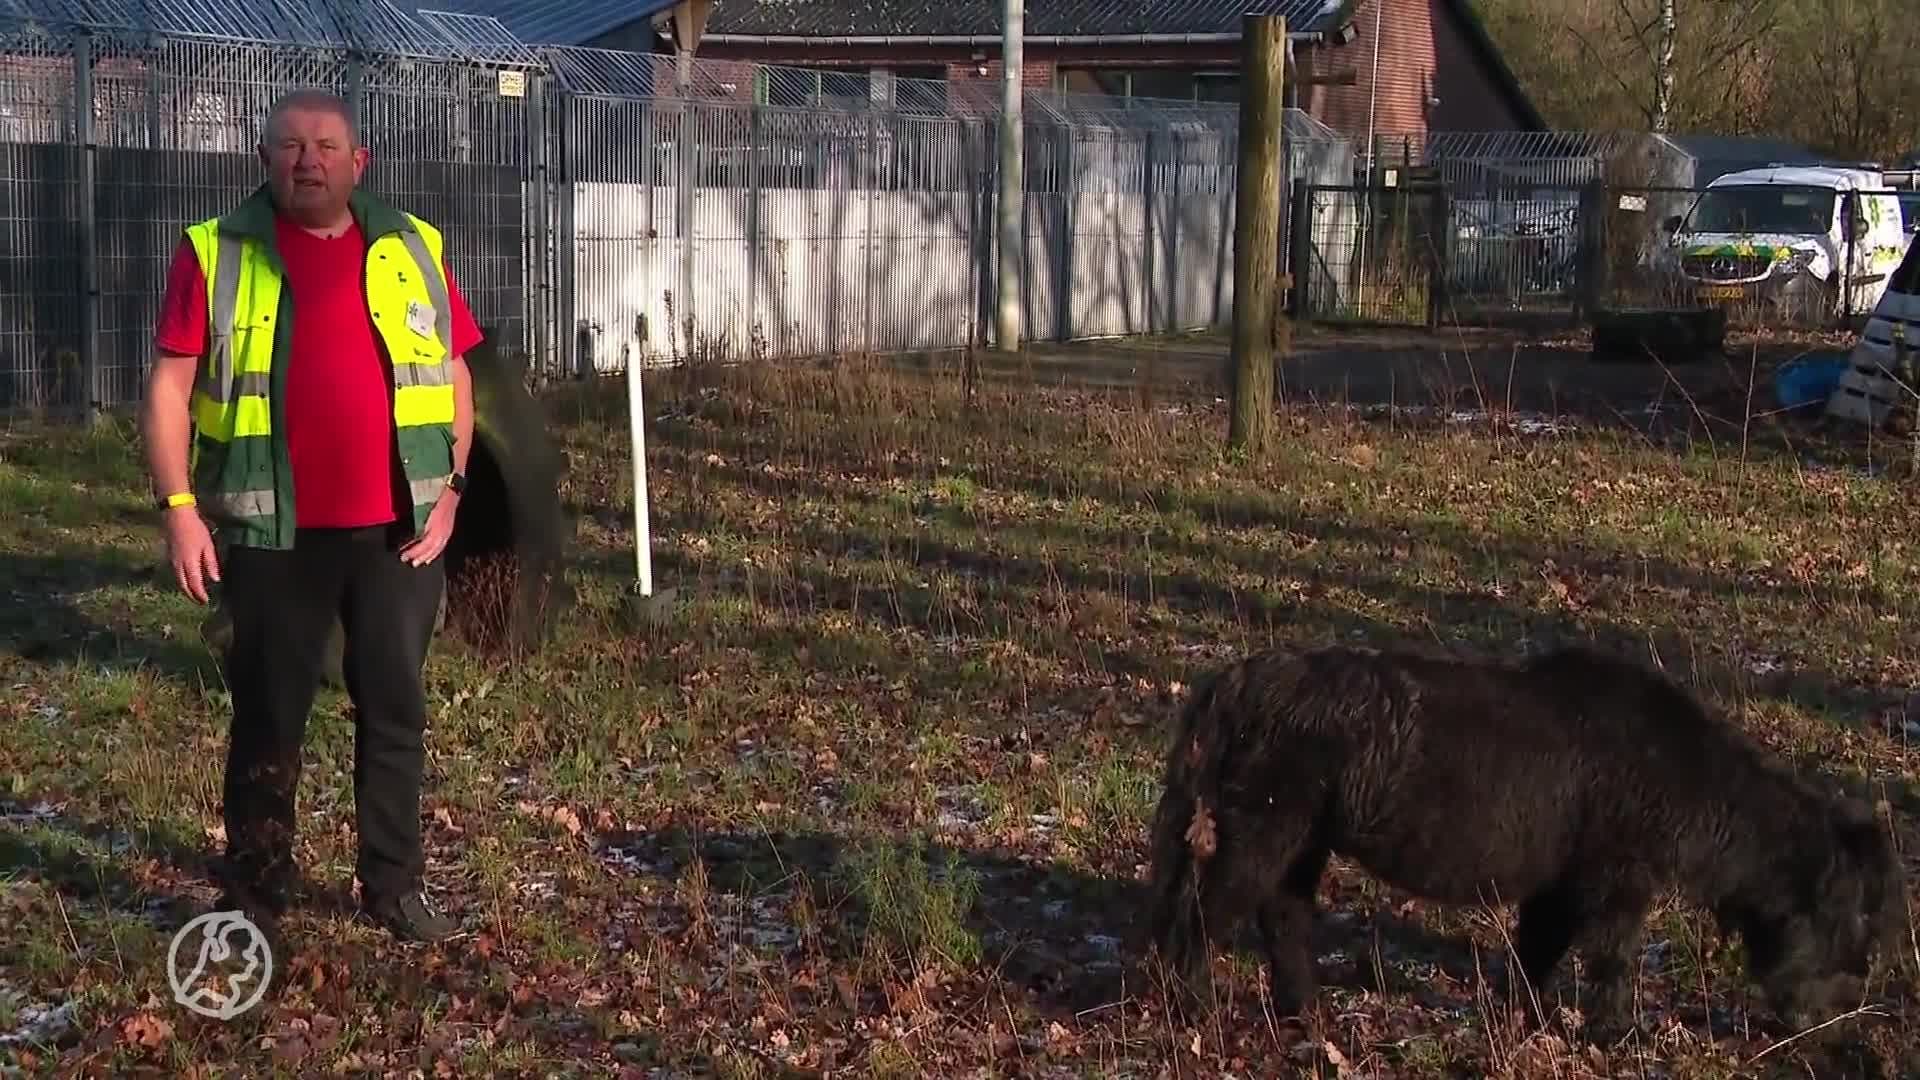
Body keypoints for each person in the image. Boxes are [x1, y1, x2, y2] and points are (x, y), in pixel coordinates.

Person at [138, 88, 484, 945]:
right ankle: (257, 892)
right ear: (264, 159)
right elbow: (170, 387)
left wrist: (453, 490)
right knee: (268, 714)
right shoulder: (217, 252)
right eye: (291, 145)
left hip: (398, 531)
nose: (309, 160)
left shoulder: (413, 244)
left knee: (396, 710)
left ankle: (393, 886)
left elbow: (453, 372)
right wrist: (179, 508)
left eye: (326, 145)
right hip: (271, 534)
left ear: (357, 160)